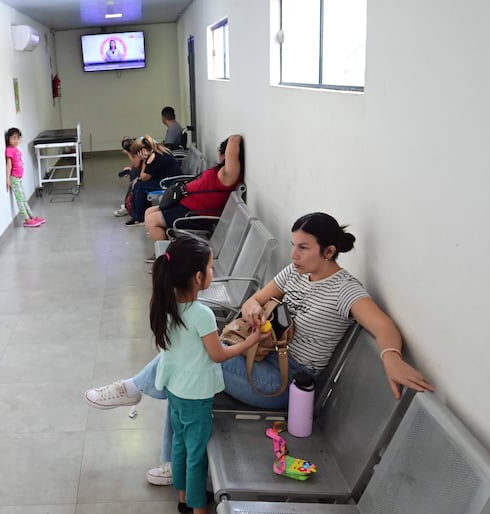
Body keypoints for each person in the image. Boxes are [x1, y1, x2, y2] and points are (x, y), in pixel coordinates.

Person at [85, 212, 435, 486]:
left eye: (303, 248)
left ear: (329, 251)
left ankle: (135, 392)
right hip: (264, 361)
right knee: (188, 366)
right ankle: (168, 454)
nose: (293, 254)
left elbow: (383, 326)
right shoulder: (295, 273)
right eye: (293, 245)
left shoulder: (344, 290)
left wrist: (391, 357)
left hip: (286, 385)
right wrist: (252, 307)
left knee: (190, 360)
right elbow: (257, 297)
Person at [148, 236, 263, 513]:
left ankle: (184, 499)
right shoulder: (201, 314)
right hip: (196, 395)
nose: (213, 273)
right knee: (196, 454)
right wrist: (250, 342)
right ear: (198, 277)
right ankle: (199, 509)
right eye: (211, 269)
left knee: (180, 444)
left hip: (175, 389)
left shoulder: (164, 305)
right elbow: (218, 355)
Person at [145, 134, 245, 244]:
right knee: (149, 212)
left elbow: (234, 139)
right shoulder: (222, 171)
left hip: (195, 214)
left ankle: (167, 256)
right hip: (186, 205)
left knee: (152, 221)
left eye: (220, 150)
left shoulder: (228, 175)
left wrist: (229, 145)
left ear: (226, 154)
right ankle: (166, 246)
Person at [124, 135, 180, 227]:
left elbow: (143, 177)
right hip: (171, 179)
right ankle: (140, 214)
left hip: (169, 182)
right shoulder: (159, 150)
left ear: (142, 151)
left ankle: (139, 218)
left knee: (139, 186)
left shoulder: (152, 157)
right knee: (139, 184)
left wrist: (144, 160)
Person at [5, 128, 45, 228]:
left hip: (18, 178)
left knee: (23, 199)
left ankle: (31, 216)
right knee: (20, 200)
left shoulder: (16, 149)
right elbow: (9, 165)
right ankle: (26, 219)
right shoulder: (9, 150)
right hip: (14, 178)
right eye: (13, 138)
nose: (16, 140)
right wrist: (8, 179)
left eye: (18, 138)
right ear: (8, 138)